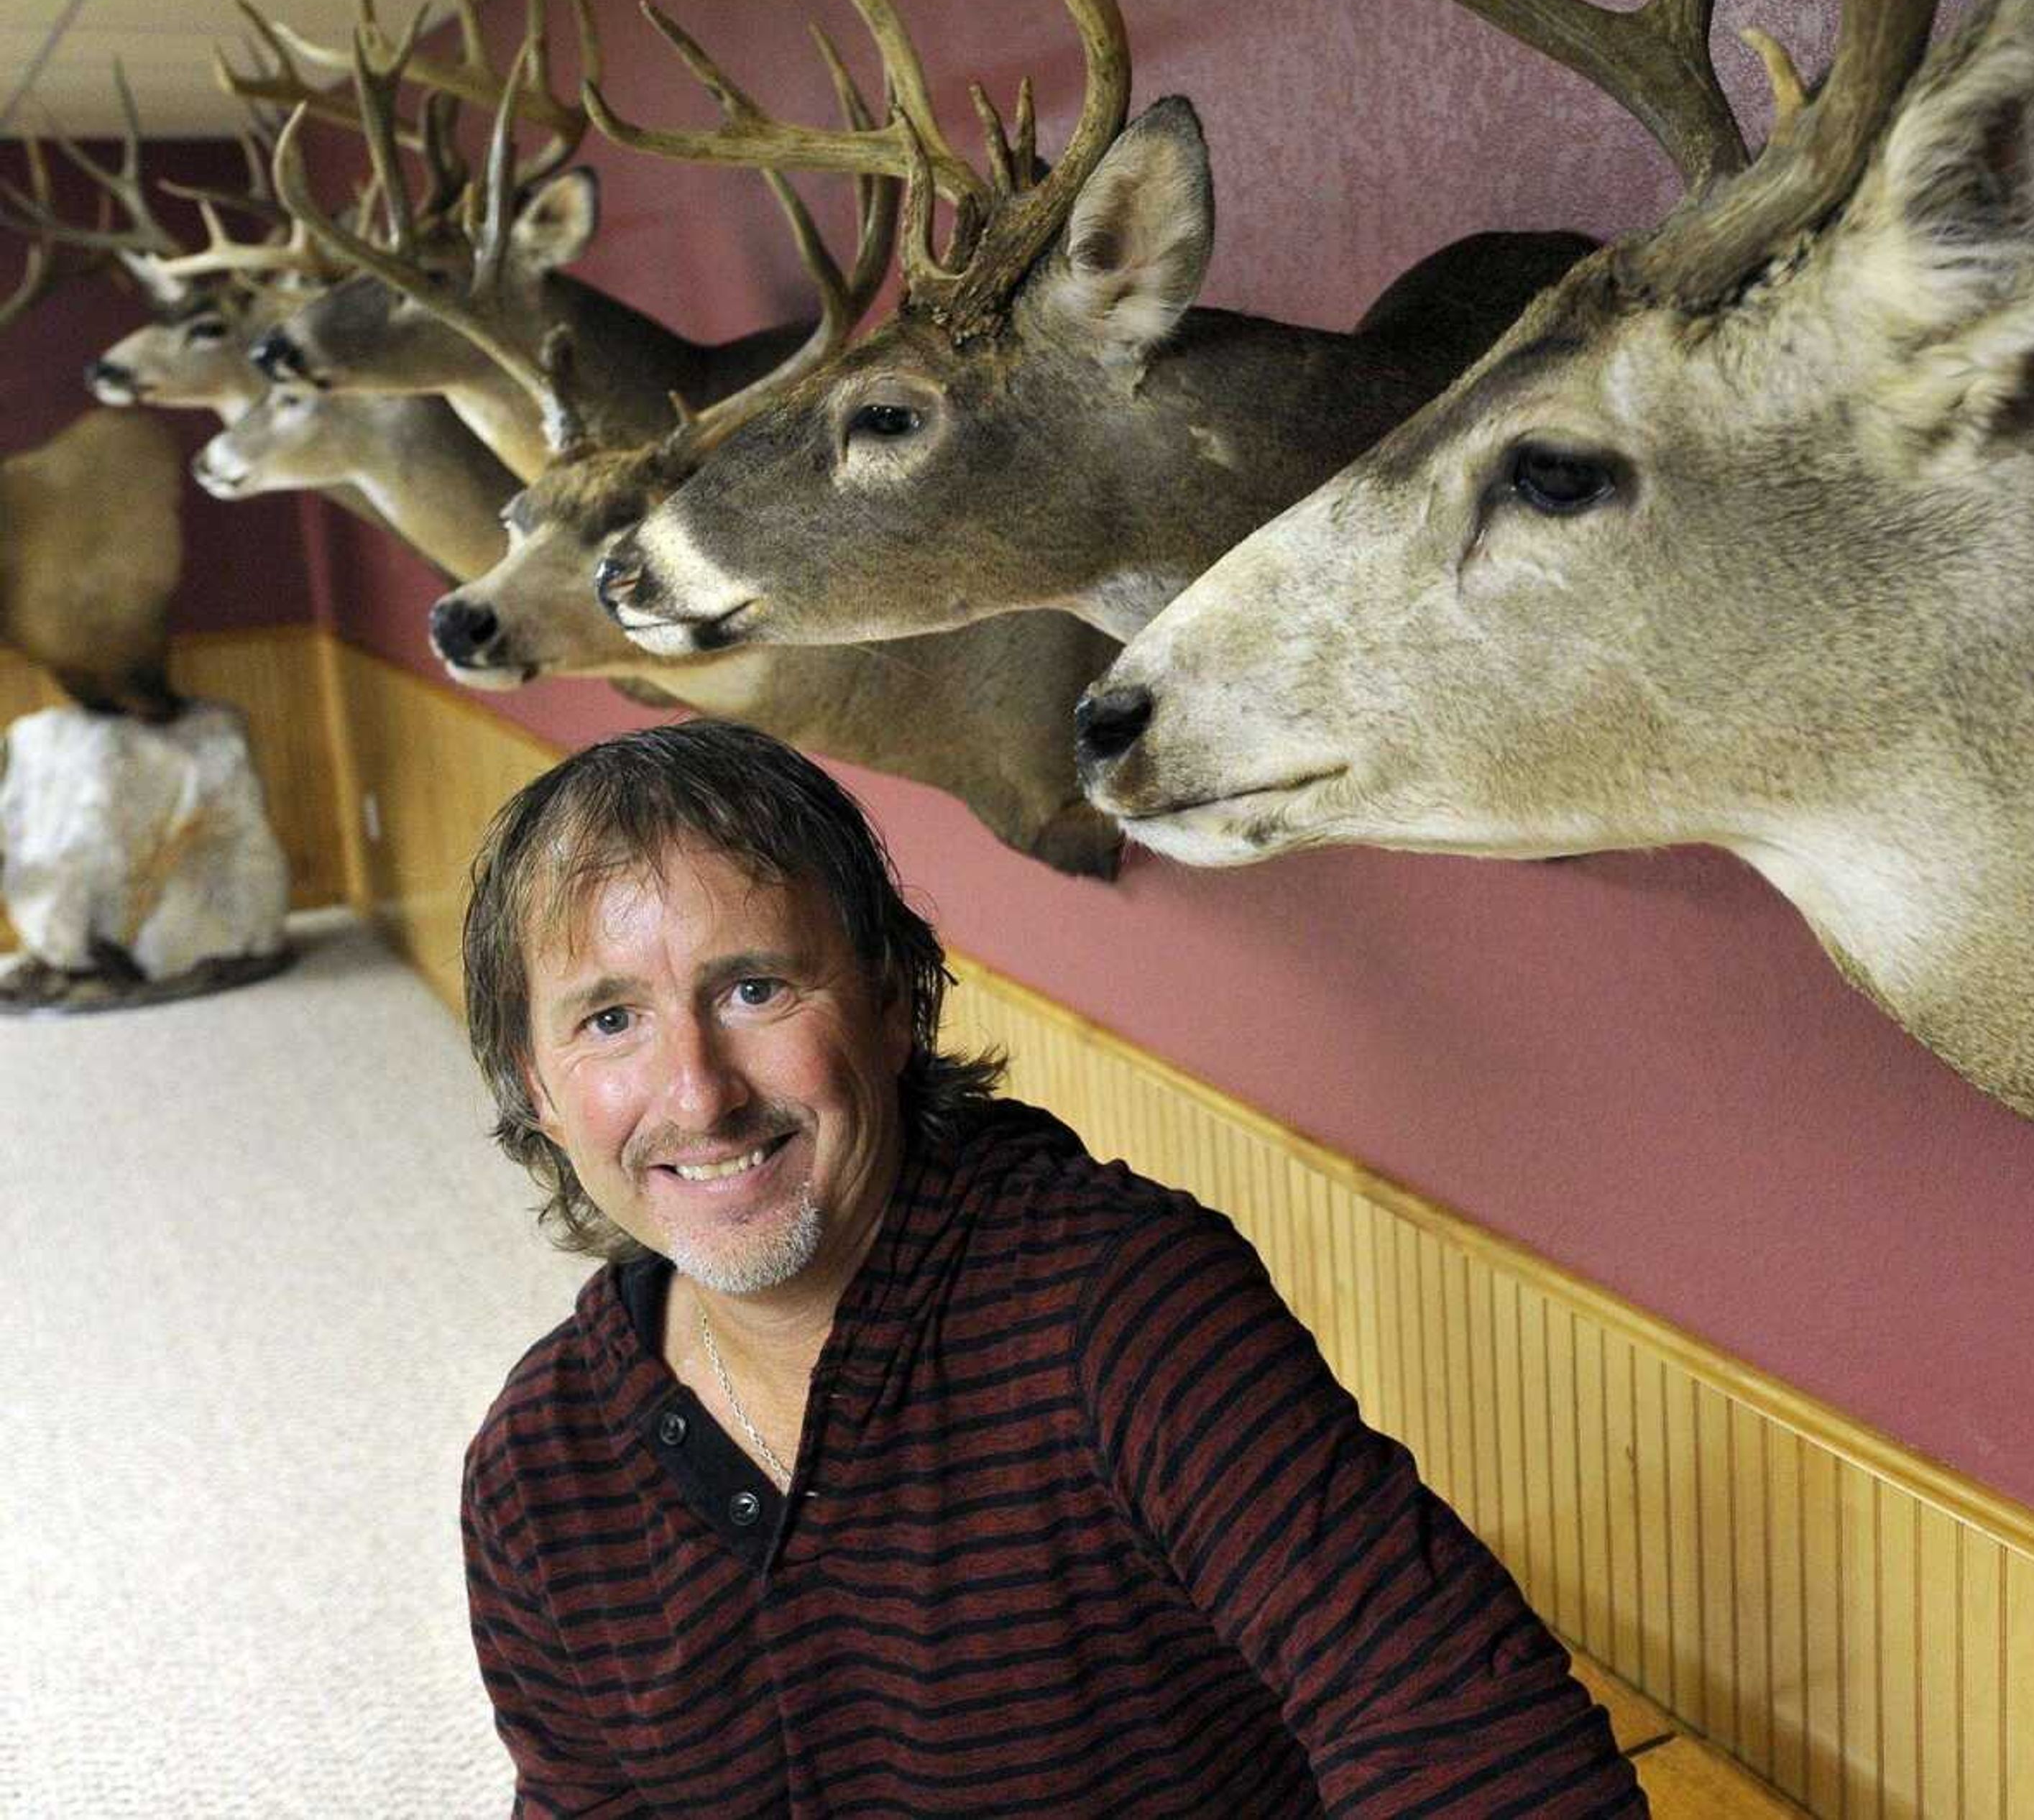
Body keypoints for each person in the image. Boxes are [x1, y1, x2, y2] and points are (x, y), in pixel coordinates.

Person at [456, 719, 1642, 1816]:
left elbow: (1485, 1752)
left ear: (890, 999)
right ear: (540, 1092)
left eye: (755, 987)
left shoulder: (1124, 1308)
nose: (700, 1092)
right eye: (610, 1020)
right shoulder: (538, 1469)